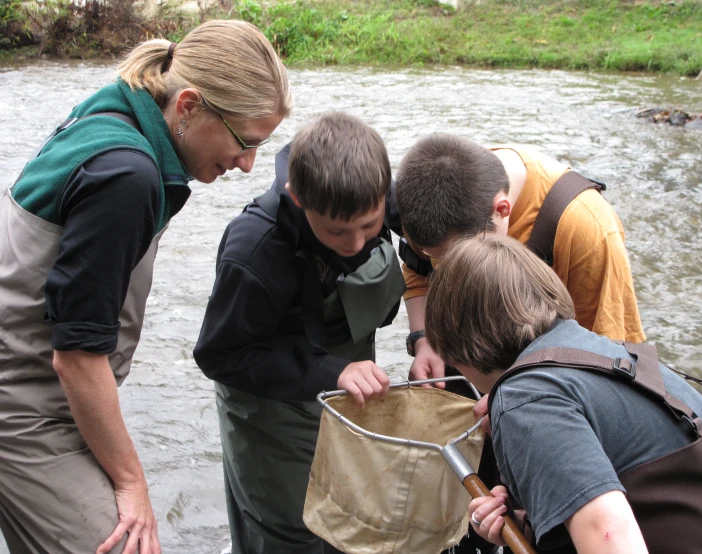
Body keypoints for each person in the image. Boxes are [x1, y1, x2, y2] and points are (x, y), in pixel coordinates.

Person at [0, 20, 291, 554]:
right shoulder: (127, 176)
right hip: (22, 411)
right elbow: (77, 358)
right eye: (244, 141)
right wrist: (133, 482)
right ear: (187, 106)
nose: (249, 164)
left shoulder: (118, 108)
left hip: (46, 399)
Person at [395, 134, 646, 554]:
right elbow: (418, 271)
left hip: (559, 403)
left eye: (458, 258)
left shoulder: (585, 229)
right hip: (488, 384)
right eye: (439, 259)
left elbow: (614, 358)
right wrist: (425, 340)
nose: (449, 271)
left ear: (503, 211)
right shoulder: (439, 193)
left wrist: (512, 398)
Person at [425, 235, 702, 554]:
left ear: (458, 344)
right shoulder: (611, 353)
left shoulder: (524, 397)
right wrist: (534, 523)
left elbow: (609, 535)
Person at [193, 112, 406, 554]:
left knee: (355, 514)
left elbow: (430, 246)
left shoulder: (374, 192)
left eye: (369, 227)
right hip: (268, 401)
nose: (355, 245)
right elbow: (219, 356)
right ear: (297, 198)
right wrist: (329, 371)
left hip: (347, 380)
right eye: (336, 231)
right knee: (294, 528)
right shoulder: (253, 252)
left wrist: (425, 338)